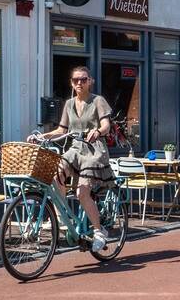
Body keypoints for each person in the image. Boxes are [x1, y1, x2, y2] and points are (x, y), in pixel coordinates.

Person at [28, 66, 115, 251]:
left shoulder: (97, 101)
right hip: (75, 150)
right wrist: (41, 137)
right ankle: (64, 218)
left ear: (90, 81)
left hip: (94, 151)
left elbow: (107, 125)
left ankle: (99, 231)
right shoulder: (68, 104)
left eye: (83, 79)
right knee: (55, 174)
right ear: (71, 82)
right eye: (75, 80)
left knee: (81, 192)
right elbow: (61, 130)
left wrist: (98, 131)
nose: (79, 83)